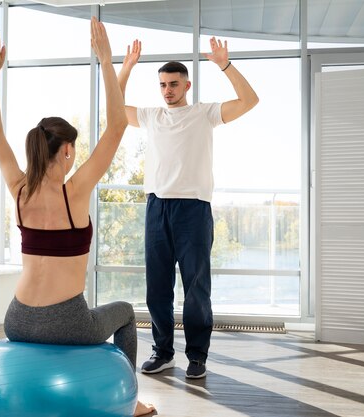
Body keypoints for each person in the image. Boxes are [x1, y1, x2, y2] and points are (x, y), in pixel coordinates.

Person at [0, 18, 155, 417]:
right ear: (66, 152)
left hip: (17, 318)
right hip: (65, 322)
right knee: (126, 312)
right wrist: (108, 61)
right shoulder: (74, 191)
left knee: (104, 311)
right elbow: (116, 127)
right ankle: (130, 400)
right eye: (74, 149)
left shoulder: (19, 189)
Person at [118, 38, 259, 379]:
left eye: (174, 84)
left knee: (196, 288)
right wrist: (126, 68)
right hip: (156, 208)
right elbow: (112, 106)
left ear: (187, 85)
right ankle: (163, 352)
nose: (167, 90)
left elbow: (249, 100)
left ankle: (197, 356)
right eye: (163, 85)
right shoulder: (151, 117)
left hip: (193, 210)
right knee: (158, 288)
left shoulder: (204, 113)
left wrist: (225, 64)